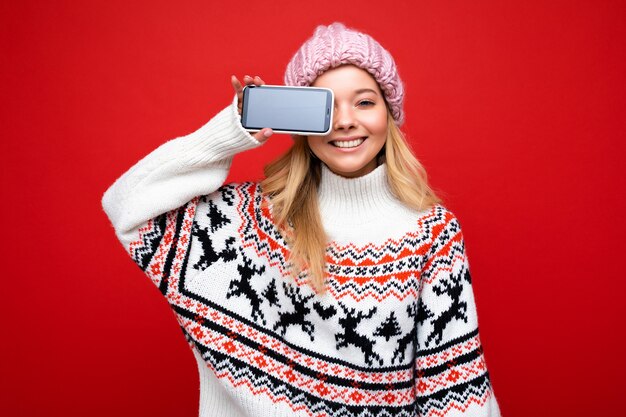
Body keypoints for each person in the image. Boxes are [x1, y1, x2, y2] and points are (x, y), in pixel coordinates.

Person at [102, 22, 501, 417]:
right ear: (300, 121)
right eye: (325, 105)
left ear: (389, 113)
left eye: (364, 102)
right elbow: (128, 206)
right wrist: (231, 130)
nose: (346, 121)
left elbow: (458, 395)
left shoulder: (430, 232)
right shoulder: (247, 223)